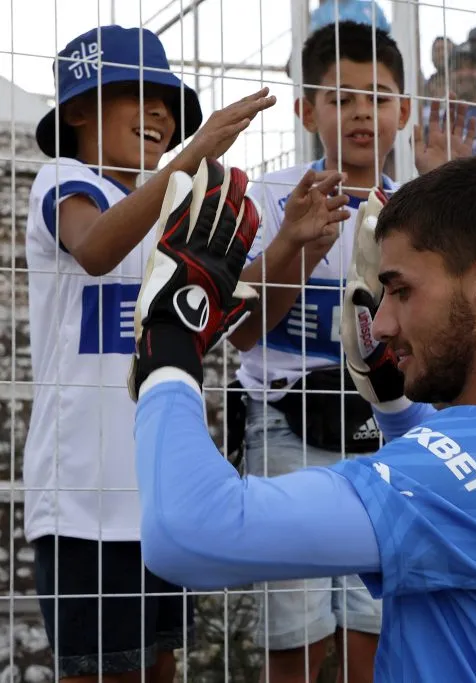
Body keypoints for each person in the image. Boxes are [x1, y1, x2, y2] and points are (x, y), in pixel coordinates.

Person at [129, 154, 476, 682]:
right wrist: (395, 403)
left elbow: (189, 531)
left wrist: (170, 342)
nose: (381, 322)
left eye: (401, 291)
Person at [23, 23, 274, 683]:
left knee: (161, 666)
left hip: (159, 490)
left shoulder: (168, 214)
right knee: (97, 672)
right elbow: (97, 248)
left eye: (170, 99)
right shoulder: (62, 180)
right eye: (139, 90)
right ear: (77, 108)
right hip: (81, 496)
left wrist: (295, 240)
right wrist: (192, 158)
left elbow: (220, 315)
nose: (161, 110)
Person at [228, 21, 471, 683]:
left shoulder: (420, 208)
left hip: (389, 433)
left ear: (404, 111)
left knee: (378, 629)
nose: (363, 110)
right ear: (306, 109)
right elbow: (243, 330)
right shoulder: (270, 195)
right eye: (341, 97)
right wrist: (292, 246)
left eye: (379, 95)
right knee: (297, 639)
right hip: (286, 426)